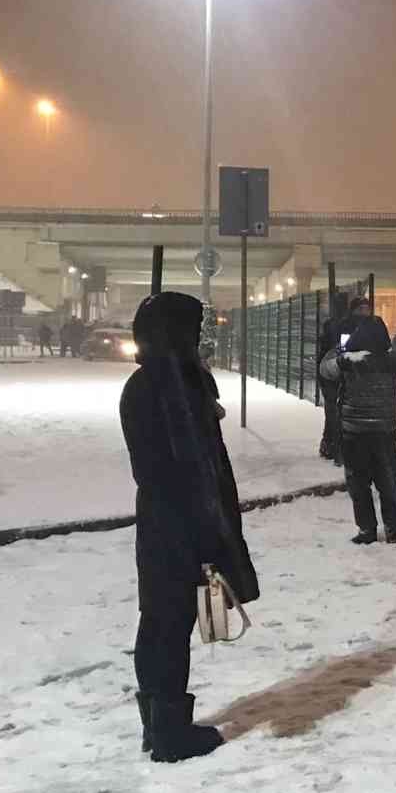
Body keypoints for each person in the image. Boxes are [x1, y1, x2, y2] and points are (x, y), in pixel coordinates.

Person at [120, 291, 259, 763]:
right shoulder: (165, 388)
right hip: (178, 523)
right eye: (191, 328)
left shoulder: (165, 382)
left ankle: (158, 723)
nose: (199, 337)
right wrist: (205, 535)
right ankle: (169, 733)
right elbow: (183, 467)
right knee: (170, 624)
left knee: (161, 622)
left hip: (168, 521)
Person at [321, 315, 396, 544]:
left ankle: (367, 530)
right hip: (385, 431)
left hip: (354, 433)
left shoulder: (348, 362)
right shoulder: (394, 361)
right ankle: (394, 528)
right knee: (388, 482)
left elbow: (325, 370)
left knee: (359, 484)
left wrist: (339, 351)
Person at [317, 292, 352, 464]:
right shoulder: (347, 326)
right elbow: (345, 350)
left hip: (326, 372)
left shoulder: (329, 324)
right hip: (339, 371)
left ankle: (329, 446)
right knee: (338, 413)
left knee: (331, 412)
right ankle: (337, 450)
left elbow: (323, 349)